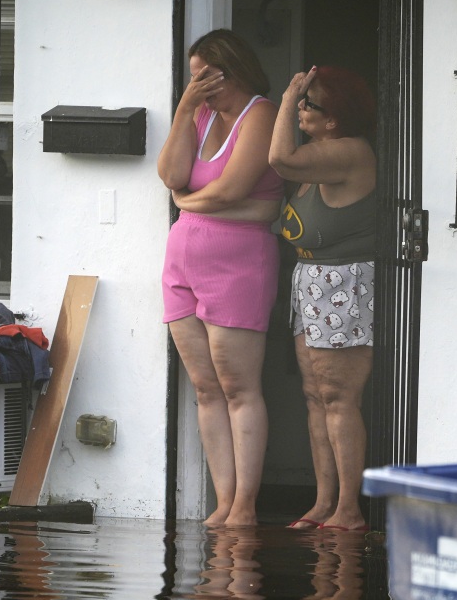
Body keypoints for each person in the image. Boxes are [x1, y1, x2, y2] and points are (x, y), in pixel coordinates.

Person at [157, 29, 284, 527]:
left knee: (238, 386)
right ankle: (224, 501)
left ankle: (246, 506)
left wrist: (188, 202)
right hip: (183, 264)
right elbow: (170, 174)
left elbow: (231, 190)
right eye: (192, 79)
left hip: (238, 266)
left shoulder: (262, 113)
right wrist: (184, 110)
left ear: (226, 70)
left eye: (201, 77)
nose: (197, 85)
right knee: (204, 388)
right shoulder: (201, 113)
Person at [268, 66, 377, 532]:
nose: (299, 108)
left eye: (309, 103)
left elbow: (278, 159)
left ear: (334, 119)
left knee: (338, 397)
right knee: (315, 397)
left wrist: (285, 95)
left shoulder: (348, 152)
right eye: (301, 99)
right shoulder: (318, 155)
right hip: (309, 281)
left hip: (343, 282)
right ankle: (323, 503)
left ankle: (349, 510)